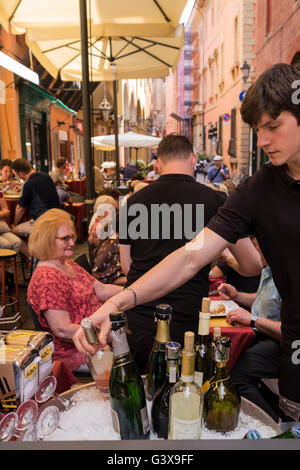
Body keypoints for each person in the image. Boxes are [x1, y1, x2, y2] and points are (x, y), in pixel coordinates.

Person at [73, 63, 300, 421]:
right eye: (258, 129)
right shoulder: (256, 190)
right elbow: (190, 258)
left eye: (273, 126)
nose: (264, 140)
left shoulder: (137, 203)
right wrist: (117, 300)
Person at [116, 134, 227, 372]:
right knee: (185, 396)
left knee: (141, 400)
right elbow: (250, 265)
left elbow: (127, 266)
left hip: (139, 319)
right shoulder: (215, 199)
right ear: (194, 158)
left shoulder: (132, 202)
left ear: (158, 163)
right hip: (187, 321)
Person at [27, 209, 122, 373]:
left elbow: (102, 289)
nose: (72, 242)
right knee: (133, 355)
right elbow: (62, 329)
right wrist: (104, 334)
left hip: (98, 335)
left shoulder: (65, 263)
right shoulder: (47, 278)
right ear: (47, 240)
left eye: (72, 237)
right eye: (65, 238)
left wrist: (132, 291)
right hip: (77, 350)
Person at [218, 246, 282, 421]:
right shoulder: (269, 268)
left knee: (236, 374)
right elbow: (263, 298)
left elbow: (289, 331)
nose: (255, 251)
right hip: (260, 333)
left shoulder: (288, 273)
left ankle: (271, 422)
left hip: (281, 342)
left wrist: (253, 319)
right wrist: (237, 296)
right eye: (253, 246)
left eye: (257, 247)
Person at [11, 158, 61, 257]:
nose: (16, 177)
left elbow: (20, 209)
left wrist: (13, 223)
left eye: (15, 175)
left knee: (13, 233)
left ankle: (34, 257)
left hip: (43, 223)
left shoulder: (28, 184)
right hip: (59, 218)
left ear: (21, 173)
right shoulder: (46, 176)